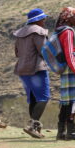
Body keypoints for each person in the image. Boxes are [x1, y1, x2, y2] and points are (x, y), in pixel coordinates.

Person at [13, 8, 50, 139]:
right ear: (38, 20)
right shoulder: (38, 31)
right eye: (43, 18)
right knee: (44, 97)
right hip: (36, 69)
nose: (45, 20)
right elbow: (44, 51)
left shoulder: (20, 33)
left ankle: (35, 128)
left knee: (34, 98)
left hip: (23, 69)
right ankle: (32, 126)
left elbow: (17, 53)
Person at [55, 7, 75, 141]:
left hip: (67, 70)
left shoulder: (62, 30)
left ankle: (61, 132)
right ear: (68, 17)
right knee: (72, 101)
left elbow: (70, 49)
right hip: (71, 70)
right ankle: (71, 132)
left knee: (67, 101)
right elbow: (69, 54)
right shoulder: (67, 31)